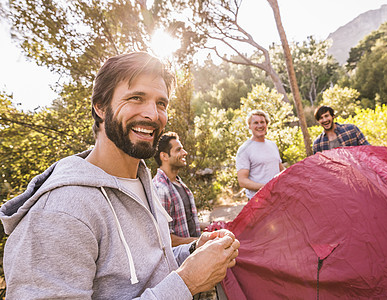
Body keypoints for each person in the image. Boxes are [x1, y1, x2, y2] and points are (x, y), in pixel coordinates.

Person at [0, 52, 239, 299]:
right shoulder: (58, 213)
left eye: (161, 103)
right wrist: (186, 282)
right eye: (136, 98)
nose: (153, 115)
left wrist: (192, 252)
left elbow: (150, 270)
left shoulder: (142, 184)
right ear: (101, 107)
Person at [153, 132, 207, 246]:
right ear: (164, 156)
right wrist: (200, 242)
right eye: (178, 150)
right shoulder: (160, 189)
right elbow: (165, 237)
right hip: (181, 260)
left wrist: (211, 226)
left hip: (194, 252)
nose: (184, 153)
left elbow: (187, 221)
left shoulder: (178, 183)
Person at [236, 109, 285, 199]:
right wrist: (266, 187)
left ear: (266, 125)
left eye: (262, 122)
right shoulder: (244, 149)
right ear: (250, 126)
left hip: (277, 198)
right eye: (256, 123)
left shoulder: (272, 145)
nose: (260, 125)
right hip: (258, 201)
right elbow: (242, 181)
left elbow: (281, 170)